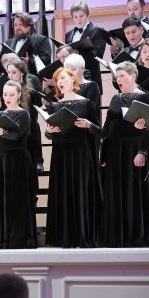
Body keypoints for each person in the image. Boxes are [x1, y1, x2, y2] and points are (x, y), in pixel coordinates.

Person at [44, 67, 102, 248]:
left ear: (73, 80)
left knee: (81, 192)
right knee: (64, 193)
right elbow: (49, 134)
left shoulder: (86, 103)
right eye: (57, 80)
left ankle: (82, 235)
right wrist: (49, 131)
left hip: (81, 154)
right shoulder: (54, 106)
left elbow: (99, 130)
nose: (60, 82)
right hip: (61, 154)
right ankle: (64, 237)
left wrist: (88, 125)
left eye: (63, 78)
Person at [100, 62, 149, 247]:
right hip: (115, 151)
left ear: (133, 76)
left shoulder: (145, 97)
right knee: (116, 193)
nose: (118, 79)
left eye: (122, 75)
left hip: (134, 149)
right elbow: (107, 127)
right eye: (117, 76)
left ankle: (135, 236)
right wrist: (104, 155)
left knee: (133, 192)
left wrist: (142, 152)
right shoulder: (116, 98)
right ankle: (117, 237)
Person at [0, 81, 37, 249]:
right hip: (2, 160)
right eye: (5, 94)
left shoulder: (24, 114)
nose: (7, 97)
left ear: (19, 95)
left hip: (18, 160)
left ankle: (18, 238)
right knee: (2, 199)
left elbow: (17, 135)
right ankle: (2, 236)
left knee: (17, 200)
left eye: (11, 94)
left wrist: (3, 132)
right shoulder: (0, 114)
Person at [64, 1, 108, 92]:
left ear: (87, 15)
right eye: (75, 17)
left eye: (81, 16)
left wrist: (78, 53)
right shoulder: (68, 34)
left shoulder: (97, 31)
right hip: (72, 81)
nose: (78, 19)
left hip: (91, 78)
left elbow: (98, 56)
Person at [0, 12, 51, 76]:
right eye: (15, 25)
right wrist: (6, 62)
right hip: (11, 79)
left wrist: (29, 61)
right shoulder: (8, 43)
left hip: (31, 78)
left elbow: (46, 61)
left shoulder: (41, 40)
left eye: (21, 24)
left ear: (29, 26)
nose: (17, 28)